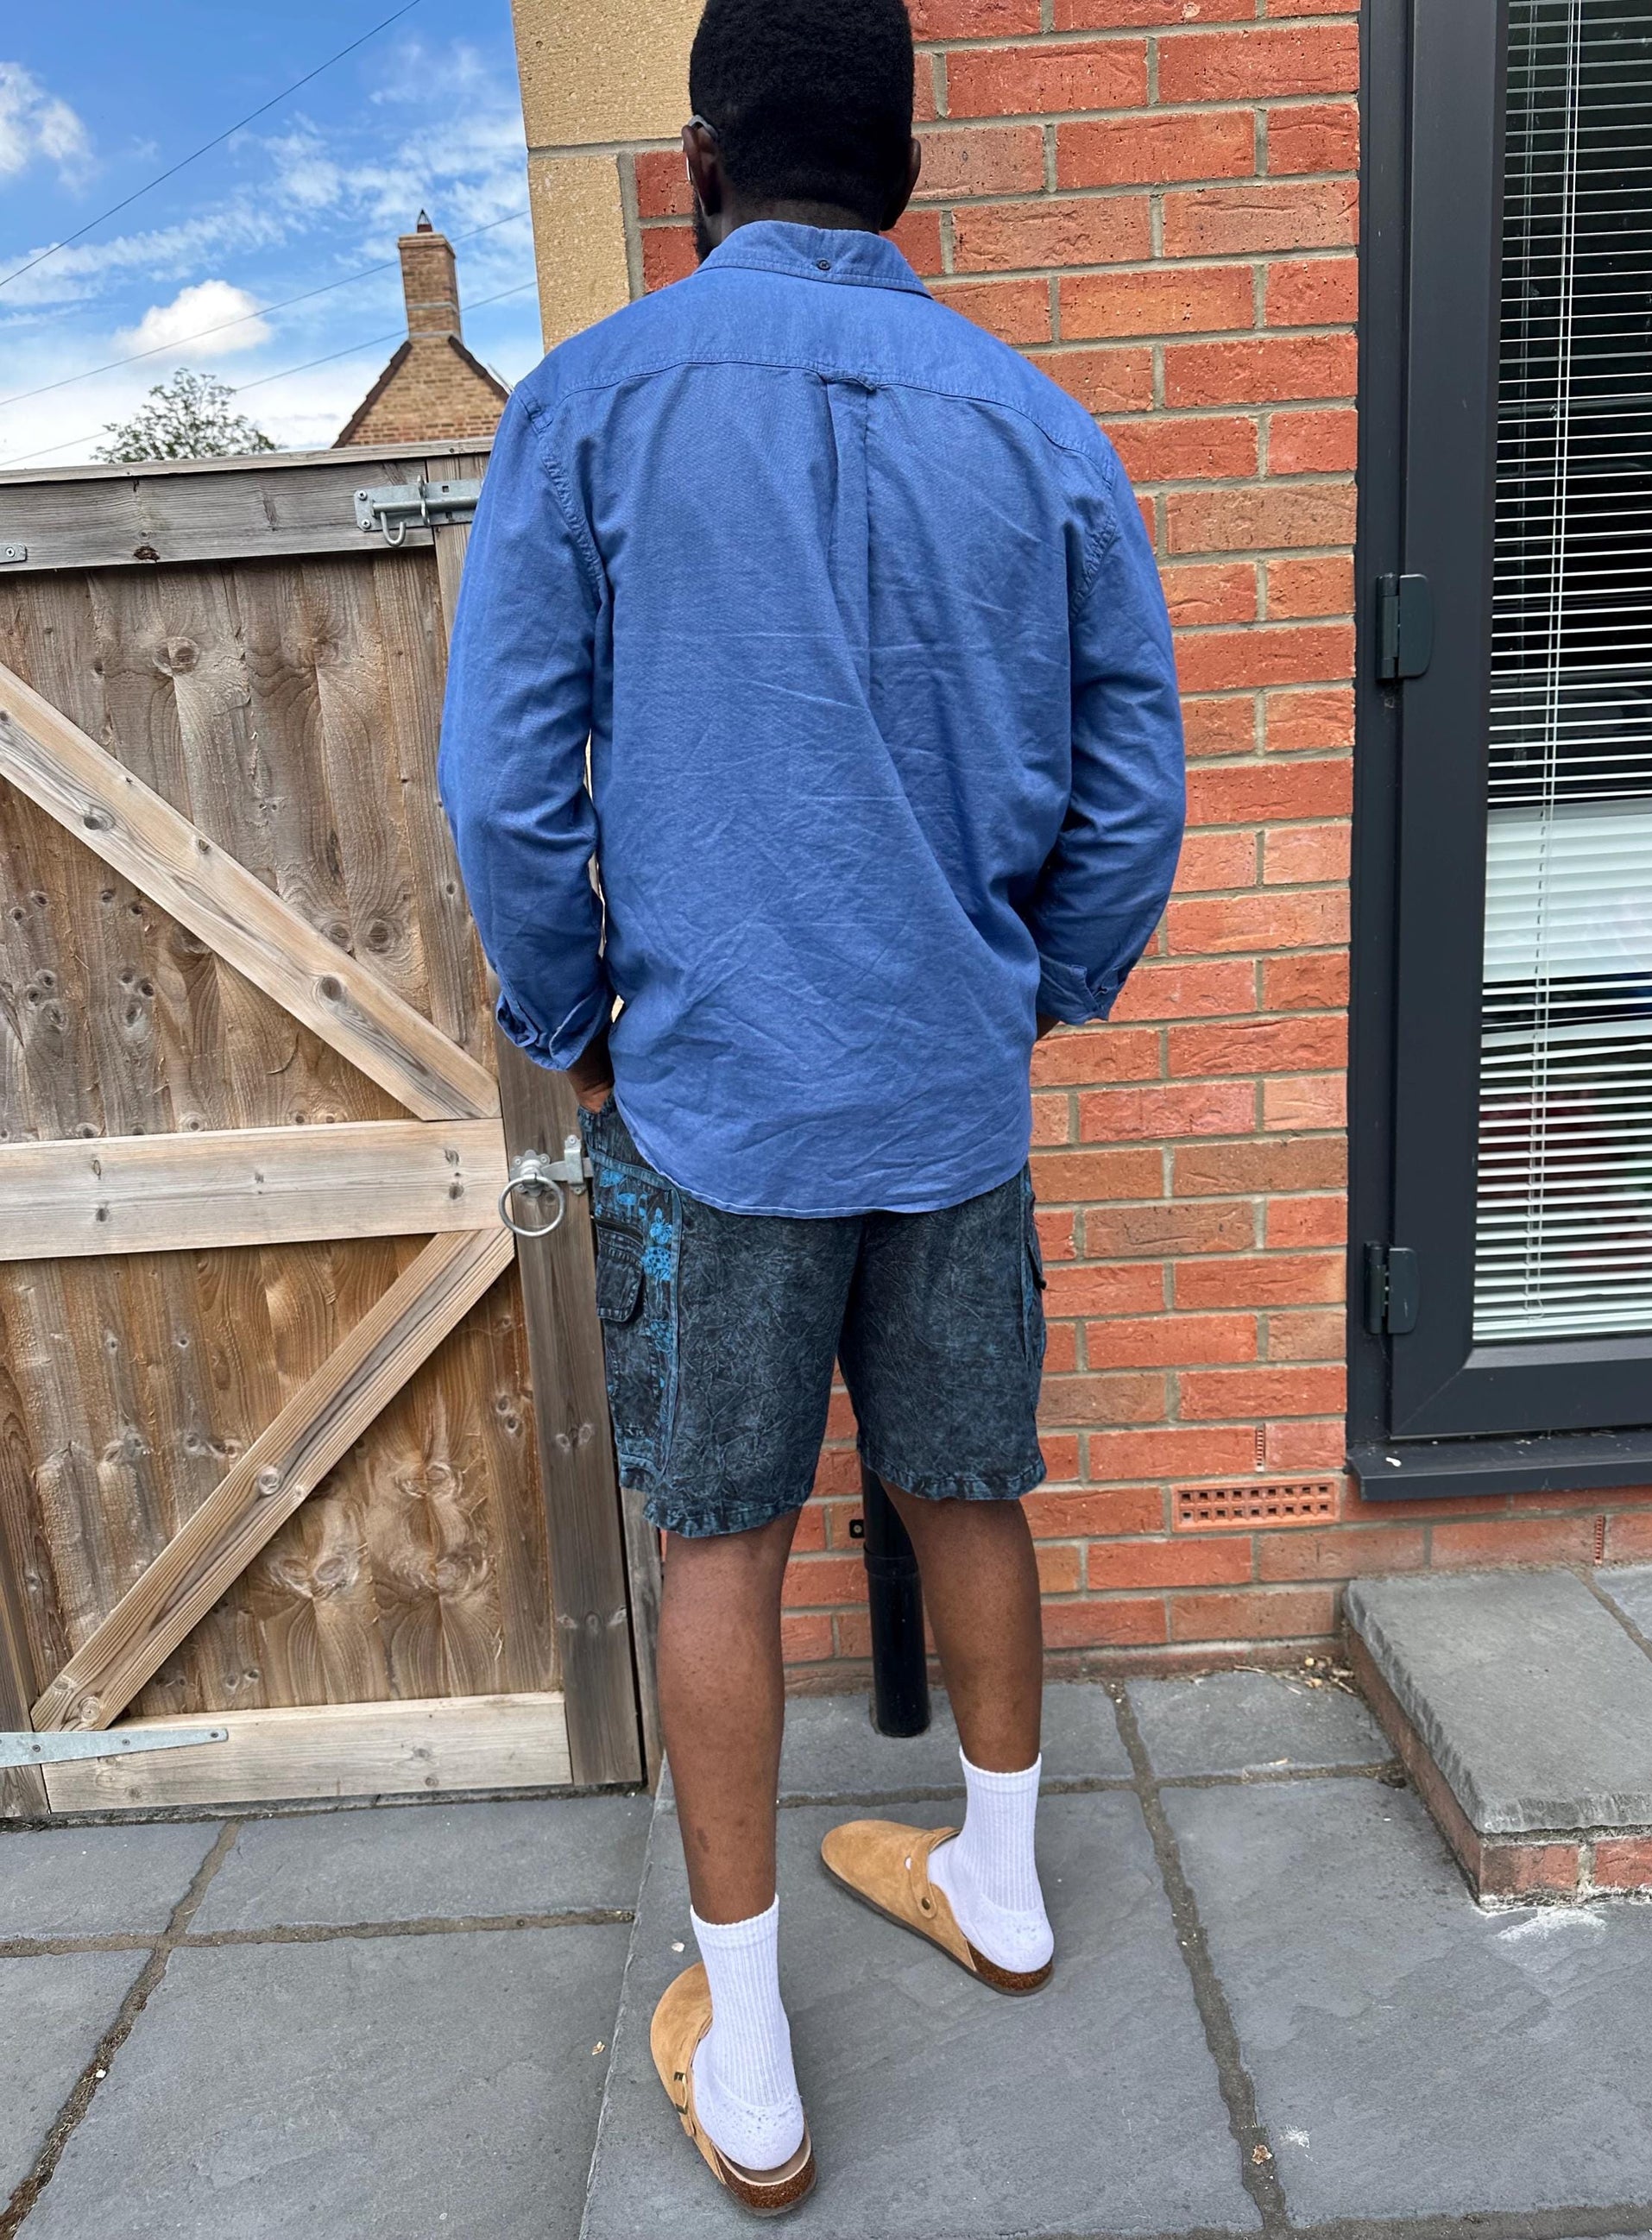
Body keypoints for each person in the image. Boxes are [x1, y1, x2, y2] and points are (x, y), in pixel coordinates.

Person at [438, 0, 1184, 2212]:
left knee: (721, 1539)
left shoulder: (590, 402)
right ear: (907, 172)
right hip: (948, 1090)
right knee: (970, 1484)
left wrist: (572, 1014)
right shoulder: (1040, 426)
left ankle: (749, 2060)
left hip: (719, 1098)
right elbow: (1133, 785)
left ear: (697, 166)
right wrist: (1030, 991)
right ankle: (1004, 1886)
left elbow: (505, 784)